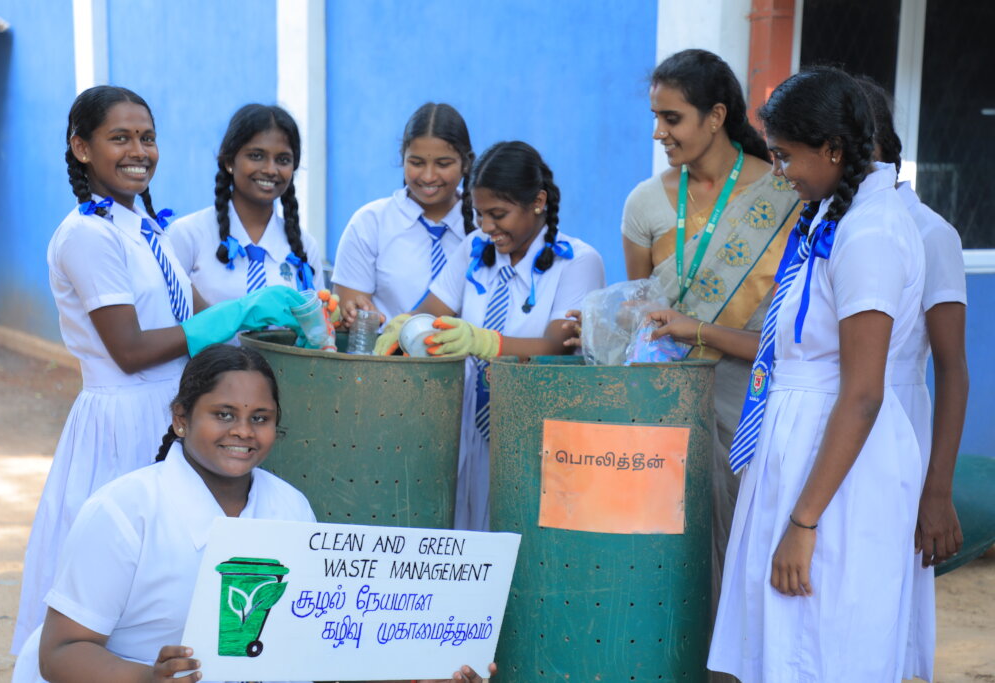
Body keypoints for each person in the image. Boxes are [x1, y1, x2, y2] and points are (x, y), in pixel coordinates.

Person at [13, 86, 306, 653]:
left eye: (147, 138)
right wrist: (235, 312)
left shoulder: (146, 229)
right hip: (123, 417)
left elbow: (202, 319)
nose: (138, 151)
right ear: (80, 147)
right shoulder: (86, 235)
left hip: (173, 412)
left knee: (174, 567)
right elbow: (129, 349)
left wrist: (274, 319)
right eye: (118, 138)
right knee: (119, 563)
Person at [13, 345, 493, 683]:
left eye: (259, 418)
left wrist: (420, 672)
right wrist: (148, 679)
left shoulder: (290, 509)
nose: (242, 431)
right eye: (223, 414)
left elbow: (320, 642)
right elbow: (59, 654)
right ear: (181, 418)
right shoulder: (124, 513)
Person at [706, 67, 926, 681]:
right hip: (800, 446)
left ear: (832, 149)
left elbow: (861, 393)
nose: (779, 171)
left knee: (826, 643)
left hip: (838, 469)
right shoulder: (831, 217)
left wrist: (804, 522)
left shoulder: (871, 234)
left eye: (785, 156)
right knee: (782, 638)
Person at [613, 48, 801, 624]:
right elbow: (638, 306)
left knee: (751, 542)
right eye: (655, 117)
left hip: (759, 398)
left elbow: (795, 321)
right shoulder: (646, 202)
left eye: (672, 118)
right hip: (671, 404)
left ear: (716, 116)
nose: (658, 133)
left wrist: (701, 328)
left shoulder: (786, 193)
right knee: (680, 547)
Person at [376, 141, 605, 531]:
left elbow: (557, 344)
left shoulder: (577, 261)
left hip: (534, 429)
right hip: (468, 423)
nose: (486, 227)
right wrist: (402, 327)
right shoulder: (474, 249)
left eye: (498, 214)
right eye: (479, 214)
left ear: (538, 202)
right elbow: (430, 311)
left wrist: (483, 343)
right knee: (464, 531)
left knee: (519, 532)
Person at [857, 76, 968, 682]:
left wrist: (938, 490)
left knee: (886, 592)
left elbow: (952, 369)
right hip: (841, 420)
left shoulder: (931, 234)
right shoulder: (828, 229)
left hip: (896, 422)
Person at [332, 103, 475, 326]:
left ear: (467, 163)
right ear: (403, 157)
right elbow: (345, 316)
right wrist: (359, 317)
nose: (428, 176)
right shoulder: (370, 223)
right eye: (416, 163)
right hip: (388, 358)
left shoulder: (487, 227)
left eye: (443, 164)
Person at [169, 104, 327, 305]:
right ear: (229, 161)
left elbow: (317, 327)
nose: (271, 169)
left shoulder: (305, 246)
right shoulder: (187, 235)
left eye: (283, 159)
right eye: (256, 156)